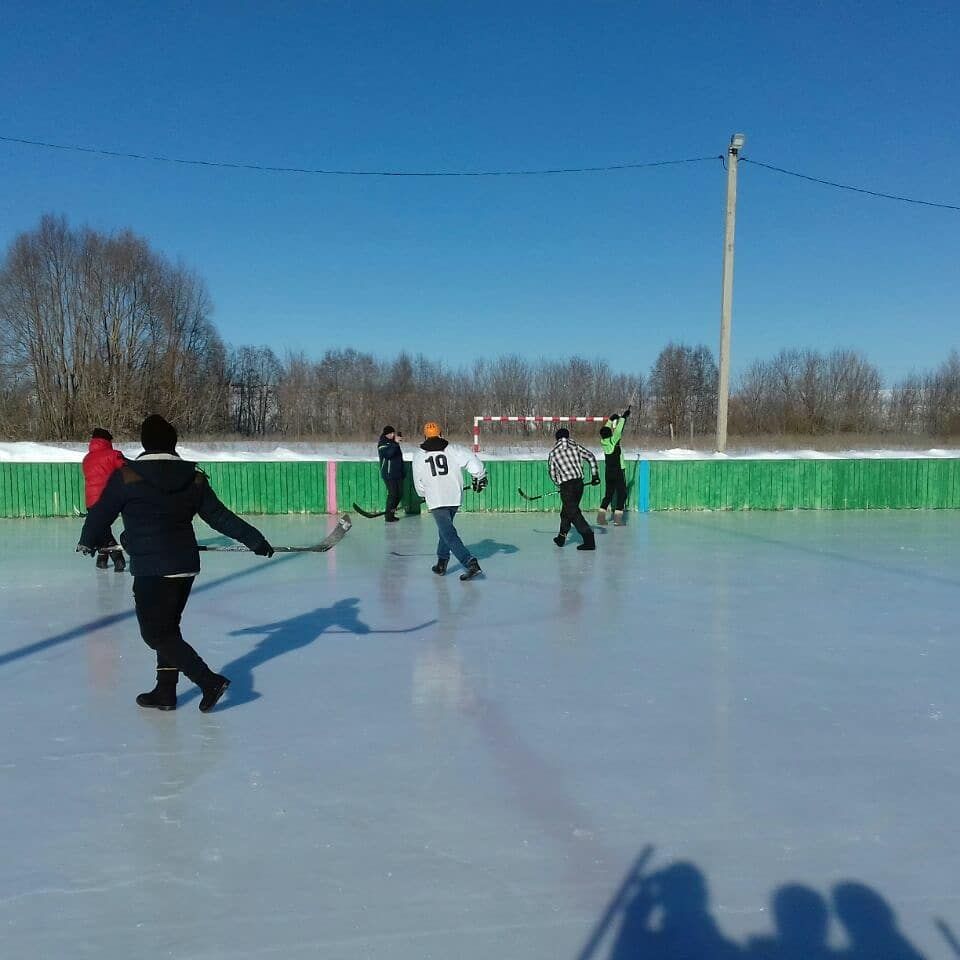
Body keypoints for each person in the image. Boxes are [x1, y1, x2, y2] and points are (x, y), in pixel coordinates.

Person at [77, 414, 274, 713]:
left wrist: (88, 540)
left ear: (144, 443)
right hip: (184, 567)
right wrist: (254, 539)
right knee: (168, 629)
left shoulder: (128, 475)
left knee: (155, 634)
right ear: (173, 443)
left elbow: (101, 513)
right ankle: (165, 692)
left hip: (152, 569)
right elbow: (220, 516)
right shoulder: (193, 477)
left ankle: (208, 681)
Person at [411, 421, 486, 581]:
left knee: (448, 533)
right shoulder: (453, 449)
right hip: (454, 497)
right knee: (445, 530)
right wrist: (479, 476)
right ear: (441, 434)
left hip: (436, 499)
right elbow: (472, 461)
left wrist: (423, 494)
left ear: (425, 436)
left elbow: (418, 481)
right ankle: (441, 563)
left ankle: (470, 562)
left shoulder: (419, 455)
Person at [81, 427, 127, 571]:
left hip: (91, 500)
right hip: (108, 498)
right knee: (103, 529)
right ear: (107, 440)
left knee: (101, 529)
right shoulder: (114, 455)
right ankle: (117, 557)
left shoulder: (87, 458)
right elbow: (126, 471)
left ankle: (102, 559)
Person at [547, 427, 599, 550]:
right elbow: (591, 457)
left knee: (574, 513)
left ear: (557, 438)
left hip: (566, 486)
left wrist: (559, 483)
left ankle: (589, 539)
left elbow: (552, 473)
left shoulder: (553, 453)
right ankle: (561, 537)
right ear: (568, 436)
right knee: (566, 512)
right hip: (579, 484)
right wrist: (595, 475)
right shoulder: (576, 446)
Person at [598, 405, 631, 526]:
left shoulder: (604, 442)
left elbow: (605, 430)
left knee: (609, 494)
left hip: (608, 472)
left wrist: (610, 420)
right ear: (610, 434)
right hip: (617, 471)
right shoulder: (613, 440)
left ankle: (601, 517)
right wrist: (624, 417)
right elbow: (618, 430)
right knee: (622, 494)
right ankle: (618, 519)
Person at [377, 425, 405, 522]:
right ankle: (388, 516)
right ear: (386, 434)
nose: (392, 435)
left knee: (400, 494)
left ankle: (391, 512)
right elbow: (389, 454)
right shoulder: (382, 443)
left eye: (393, 433)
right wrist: (395, 443)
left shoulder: (393, 443)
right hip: (388, 474)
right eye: (390, 433)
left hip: (398, 473)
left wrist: (402, 471)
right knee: (393, 494)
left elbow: (398, 458)